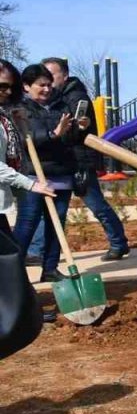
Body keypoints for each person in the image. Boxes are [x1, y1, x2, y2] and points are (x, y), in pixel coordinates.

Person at [43, 57, 130, 261]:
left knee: (96, 205)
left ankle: (118, 242)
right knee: (55, 209)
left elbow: (74, 132)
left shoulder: (75, 97)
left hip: (79, 161)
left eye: (52, 75)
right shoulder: (56, 98)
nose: (48, 81)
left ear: (64, 75)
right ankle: (39, 251)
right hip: (63, 162)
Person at [12, 64, 80, 284]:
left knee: (56, 225)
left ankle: (50, 268)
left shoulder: (61, 106)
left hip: (61, 174)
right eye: (41, 85)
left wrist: (77, 129)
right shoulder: (20, 110)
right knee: (27, 223)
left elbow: (70, 141)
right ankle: (13, 272)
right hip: (33, 176)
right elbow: (26, 139)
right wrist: (53, 134)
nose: (47, 89)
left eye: (49, 84)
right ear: (26, 86)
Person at [0, 59, 55, 239]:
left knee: (11, 258)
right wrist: (30, 184)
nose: (7, 92)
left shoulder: (5, 117)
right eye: (2, 86)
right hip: (26, 181)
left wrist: (19, 123)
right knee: (11, 259)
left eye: (11, 87)